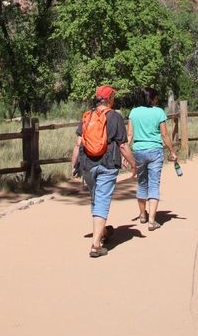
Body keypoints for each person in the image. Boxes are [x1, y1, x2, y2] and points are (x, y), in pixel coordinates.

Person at [71, 85, 137, 258]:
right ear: (110, 99)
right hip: (107, 165)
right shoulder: (114, 117)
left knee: (96, 198)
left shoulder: (88, 115)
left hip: (87, 165)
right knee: (102, 201)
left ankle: (103, 233)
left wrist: (73, 166)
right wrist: (133, 164)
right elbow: (122, 145)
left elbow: (78, 143)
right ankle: (95, 245)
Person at [127, 88, 178, 230]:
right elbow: (165, 135)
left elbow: (129, 135)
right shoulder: (159, 112)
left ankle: (142, 214)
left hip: (139, 151)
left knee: (142, 183)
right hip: (155, 151)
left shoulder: (134, 112)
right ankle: (151, 221)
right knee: (154, 184)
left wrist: (124, 153)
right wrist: (172, 151)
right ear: (152, 98)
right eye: (156, 97)